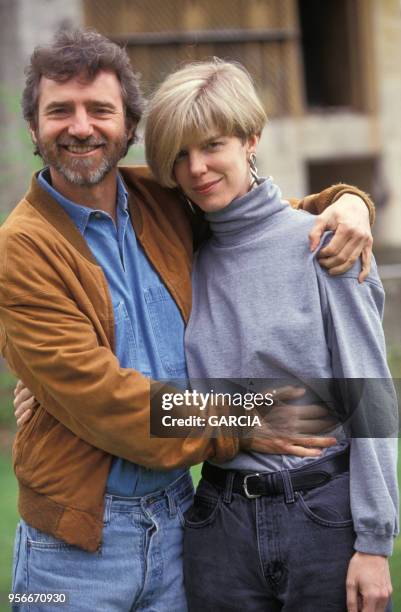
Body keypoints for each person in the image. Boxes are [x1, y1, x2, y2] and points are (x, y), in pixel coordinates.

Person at [4, 29, 376, 612]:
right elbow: (105, 400)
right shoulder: (19, 250)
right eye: (59, 111)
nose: (80, 126)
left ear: (127, 126)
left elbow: (254, 219)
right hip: (72, 550)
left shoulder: (162, 199)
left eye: (100, 109)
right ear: (33, 127)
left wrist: (350, 200)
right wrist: (242, 416)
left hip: (182, 524)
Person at [144, 59, 399, 612]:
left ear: (251, 139)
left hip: (322, 517)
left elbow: (371, 396)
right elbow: (155, 407)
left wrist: (375, 542)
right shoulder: (178, 264)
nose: (197, 168)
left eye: (212, 145)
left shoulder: (327, 242)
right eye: (180, 155)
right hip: (217, 523)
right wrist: (245, 417)